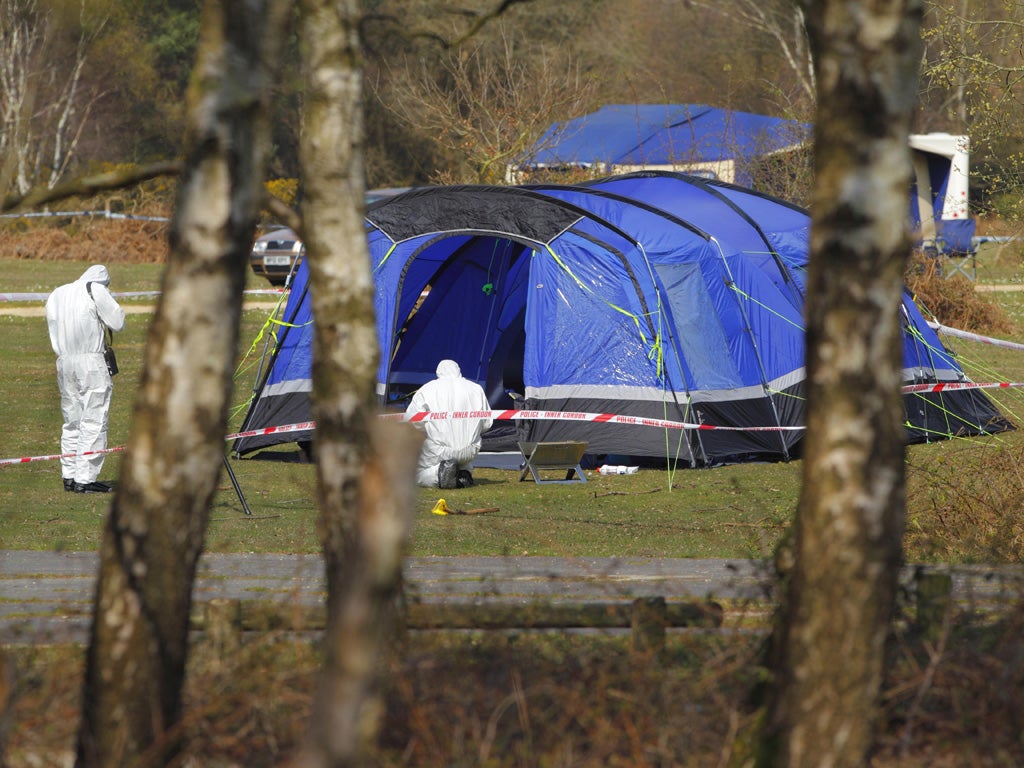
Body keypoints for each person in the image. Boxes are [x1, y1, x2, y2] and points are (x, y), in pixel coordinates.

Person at [45, 265, 126, 494]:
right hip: (90, 362)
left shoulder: (58, 293)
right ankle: (85, 479)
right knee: (94, 419)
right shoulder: (95, 289)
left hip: (64, 360)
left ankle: (69, 475)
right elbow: (117, 321)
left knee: (71, 420)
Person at [406, 359, 494, 489]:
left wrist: (429, 427)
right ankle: (463, 474)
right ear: (458, 370)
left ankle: (440, 473)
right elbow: (487, 423)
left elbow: (413, 420)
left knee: (417, 474)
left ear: (439, 373)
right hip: (470, 450)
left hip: (439, 450)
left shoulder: (427, 389)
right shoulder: (476, 389)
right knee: (463, 454)